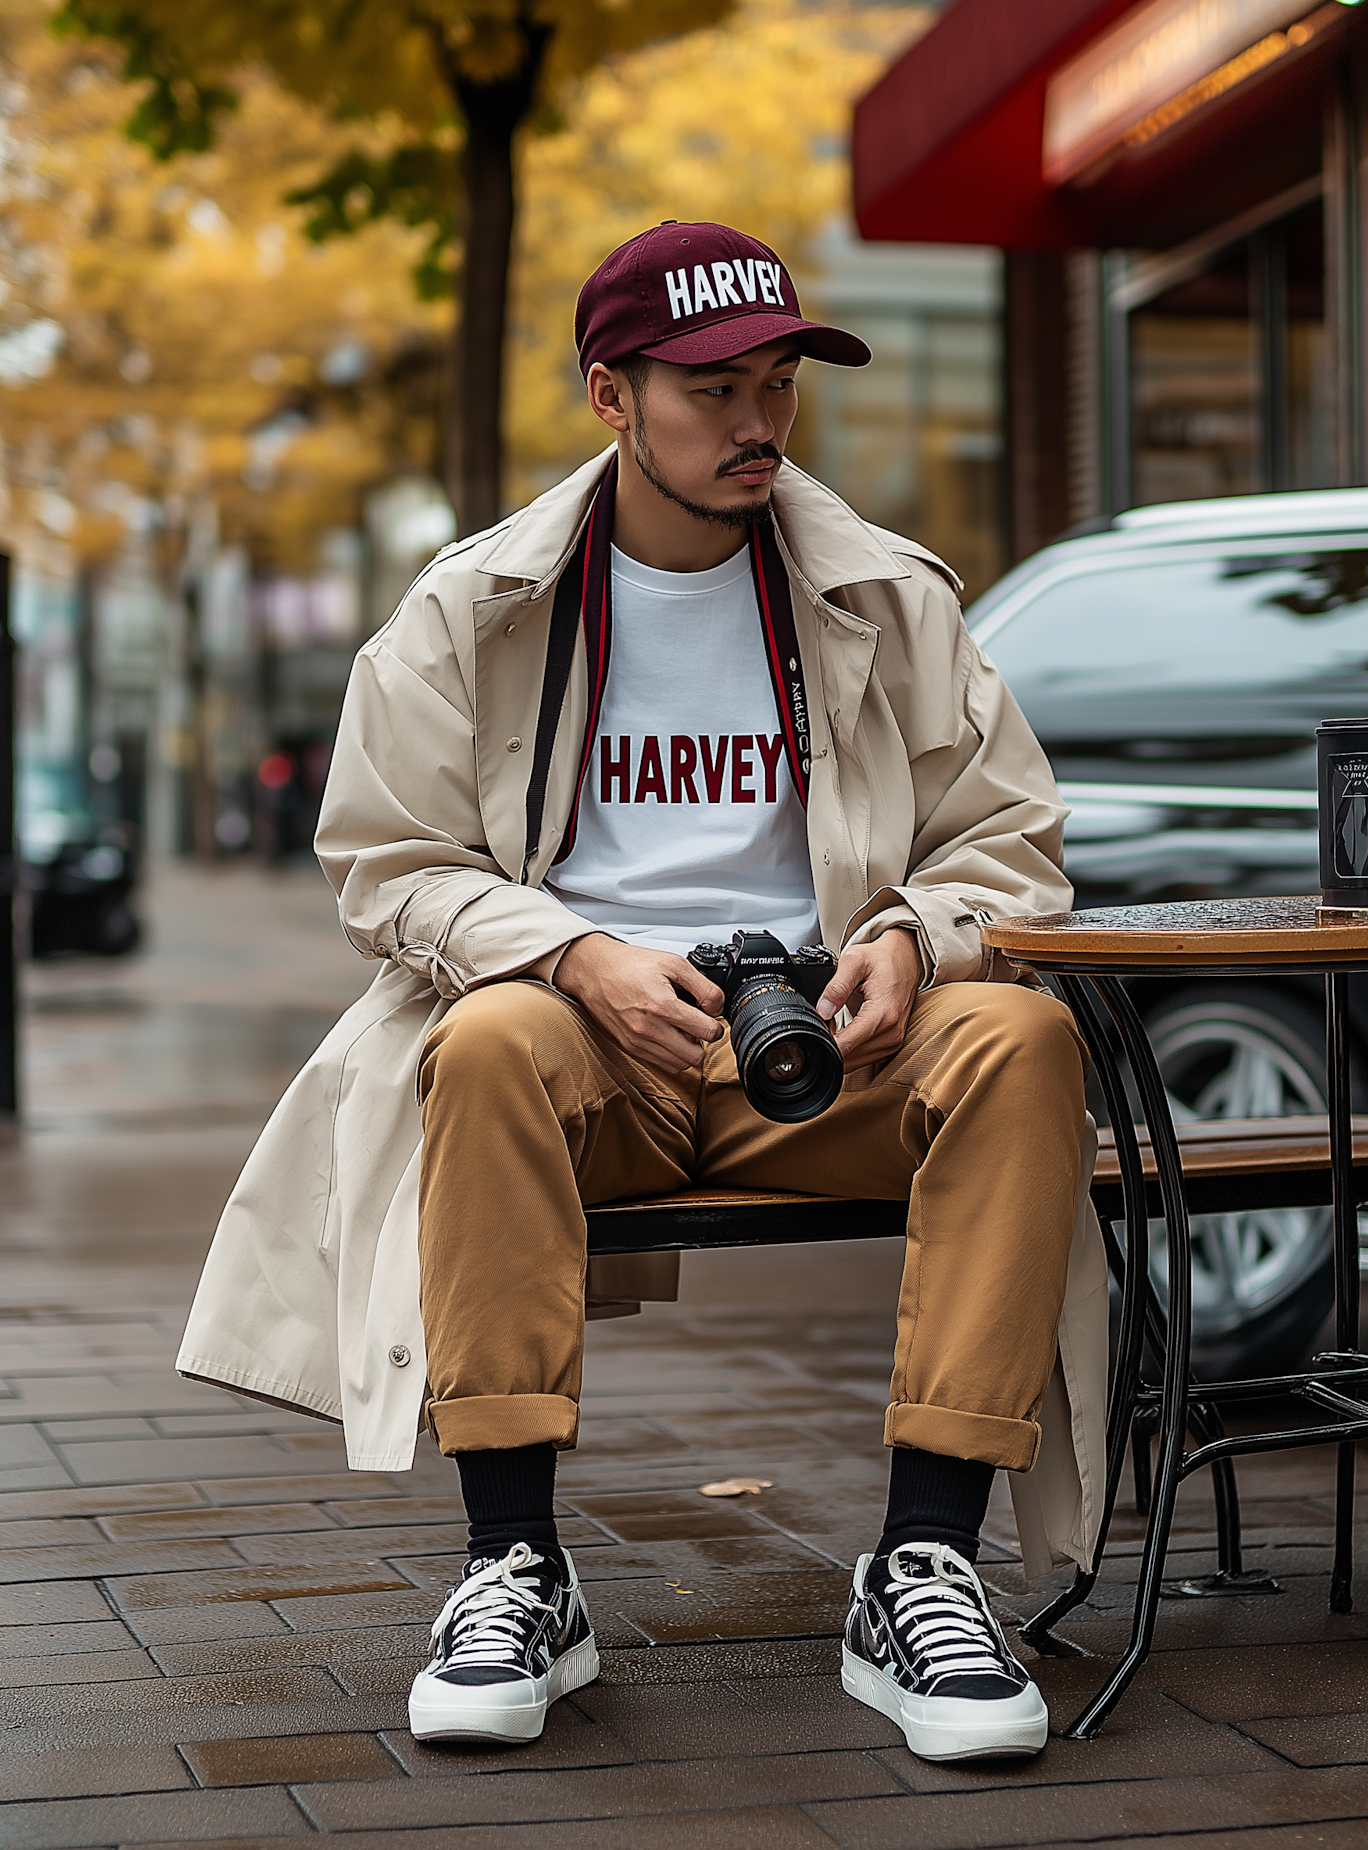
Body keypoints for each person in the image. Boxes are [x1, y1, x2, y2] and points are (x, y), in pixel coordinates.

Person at [177, 221, 1106, 1766]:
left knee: (1019, 1033)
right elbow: (385, 864)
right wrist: (563, 951)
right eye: (712, 389)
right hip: (584, 1041)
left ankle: (924, 1562)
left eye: (778, 387)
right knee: (480, 1044)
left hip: (824, 1043)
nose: (756, 424)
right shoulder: (473, 609)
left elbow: (1010, 839)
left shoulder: (887, 594)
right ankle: (516, 1566)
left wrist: (915, 936)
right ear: (610, 394)